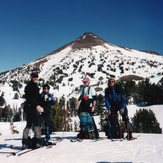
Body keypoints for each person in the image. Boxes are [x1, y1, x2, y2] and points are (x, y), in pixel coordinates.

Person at [22, 72, 44, 149]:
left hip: (31, 108)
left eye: (36, 77)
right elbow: (30, 98)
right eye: (34, 77)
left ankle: (25, 143)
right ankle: (37, 142)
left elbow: (38, 98)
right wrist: (37, 106)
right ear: (31, 77)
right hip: (31, 108)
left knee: (29, 124)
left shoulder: (35, 86)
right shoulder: (29, 87)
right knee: (36, 124)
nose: (35, 78)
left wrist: (42, 103)